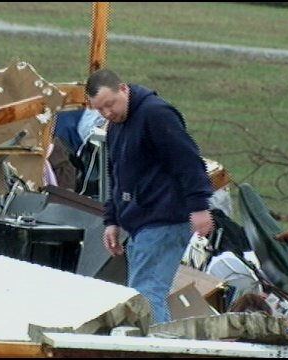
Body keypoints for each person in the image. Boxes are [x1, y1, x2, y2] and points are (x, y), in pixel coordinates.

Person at [85, 69, 214, 324]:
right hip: (141, 223)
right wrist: (112, 220)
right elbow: (116, 175)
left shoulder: (156, 114)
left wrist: (199, 207)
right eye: (100, 110)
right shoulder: (115, 127)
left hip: (164, 219)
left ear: (123, 89)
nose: (107, 113)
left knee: (146, 296)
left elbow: (188, 162)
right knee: (145, 295)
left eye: (110, 104)